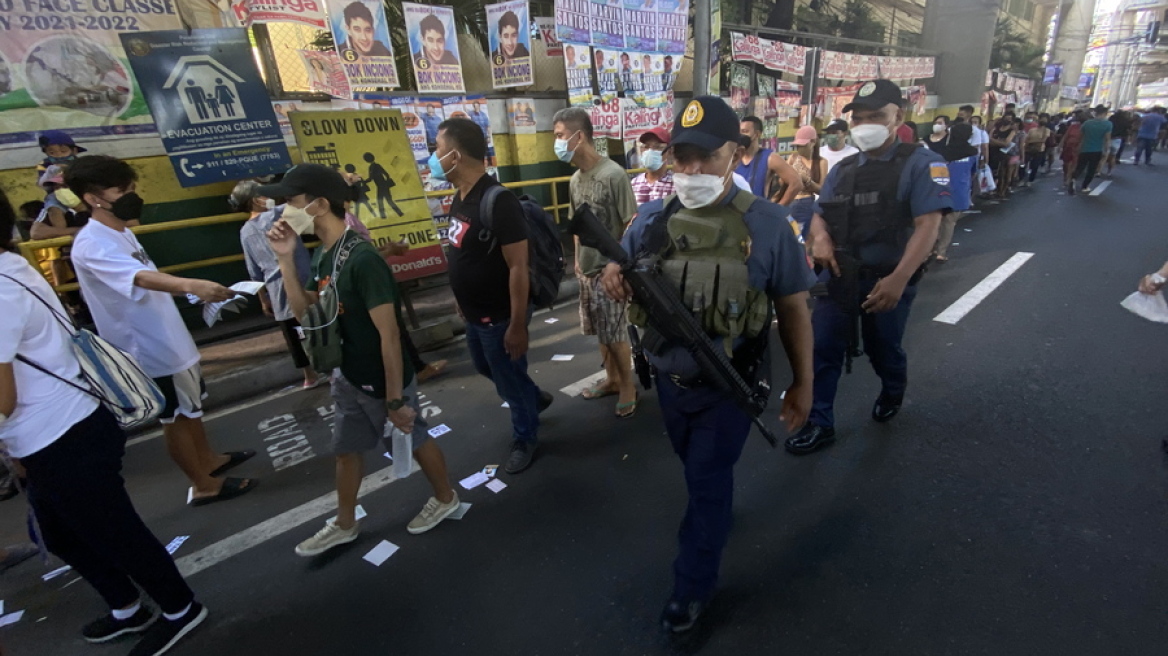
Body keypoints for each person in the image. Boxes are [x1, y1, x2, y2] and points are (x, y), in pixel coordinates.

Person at [600, 96, 815, 633]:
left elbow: (793, 310)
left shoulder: (768, 225)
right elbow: (619, 263)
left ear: (736, 154)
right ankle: (712, 515)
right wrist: (611, 271)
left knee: (707, 479)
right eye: (682, 157)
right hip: (669, 383)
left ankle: (692, 586)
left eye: (708, 158)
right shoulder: (650, 218)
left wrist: (803, 385)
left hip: (729, 381)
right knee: (697, 471)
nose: (692, 171)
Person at [0, 187, 209, 655]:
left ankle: (179, 607)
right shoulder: (12, 267)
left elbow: (3, 399)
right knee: (59, 532)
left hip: (61, 433)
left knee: (112, 529)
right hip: (55, 429)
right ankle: (125, 605)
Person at [263, 164, 460, 555]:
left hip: (381, 378)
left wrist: (394, 400)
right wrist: (285, 259)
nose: (283, 210)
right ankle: (345, 522)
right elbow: (306, 315)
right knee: (346, 449)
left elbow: (389, 335)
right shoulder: (322, 256)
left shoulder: (362, 259)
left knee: (413, 436)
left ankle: (445, 497)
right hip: (348, 375)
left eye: (291, 201)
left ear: (319, 205)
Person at [66, 156, 258, 506]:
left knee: (191, 406)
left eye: (132, 188)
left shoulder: (120, 232)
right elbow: (138, 278)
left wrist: (189, 291)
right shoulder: (92, 242)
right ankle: (202, 484)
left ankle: (210, 460)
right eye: (122, 190)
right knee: (173, 417)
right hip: (145, 348)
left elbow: (149, 279)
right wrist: (192, 284)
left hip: (168, 337)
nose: (131, 196)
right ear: (93, 197)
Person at [785, 79, 950, 455]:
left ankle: (894, 387)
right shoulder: (844, 170)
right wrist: (821, 236)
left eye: (876, 116)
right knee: (823, 346)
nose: (865, 124)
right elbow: (819, 213)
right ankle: (820, 422)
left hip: (887, 278)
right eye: (859, 118)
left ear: (898, 117)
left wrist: (898, 279)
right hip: (840, 275)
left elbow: (928, 225)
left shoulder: (922, 164)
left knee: (883, 348)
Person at [435, 119, 553, 474]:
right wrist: (461, 295)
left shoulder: (497, 201)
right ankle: (533, 397)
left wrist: (517, 325)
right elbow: (463, 253)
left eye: (438, 148)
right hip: (473, 312)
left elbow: (517, 267)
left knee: (508, 378)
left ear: (455, 155)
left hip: (499, 316)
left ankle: (525, 436)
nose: (434, 157)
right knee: (486, 367)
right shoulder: (460, 196)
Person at [553, 107, 640, 418]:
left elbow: (631, 224)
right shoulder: (575, 179)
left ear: (580, 136)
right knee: (601, 332)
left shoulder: (613, 175)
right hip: (587, 271)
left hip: (611, 272)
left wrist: (619, 268)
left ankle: (628, 385)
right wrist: (577, 261)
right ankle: (612, 379)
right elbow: (577, 224)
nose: (557, 142)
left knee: (616, 332)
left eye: (560, 136)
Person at [231, 180, 320, 391]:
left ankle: (309, 376)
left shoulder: (245, 232)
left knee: (294, 334)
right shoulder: (278, 214)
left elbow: (253, 271)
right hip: (302, 281)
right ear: (257, 200)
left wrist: (264, 299)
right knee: (316, 324)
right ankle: (331, 367)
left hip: (276, 291)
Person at [934, 123, 978, 262]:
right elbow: (973, 172)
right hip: (960, 189)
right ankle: (941, 252)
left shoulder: (942, 151)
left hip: (939, 188)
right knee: (950, 222)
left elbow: (935, 171)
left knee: (935, 220)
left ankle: (929, 249)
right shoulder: (972, 152)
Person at [736, 116, 802, 204]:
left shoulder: (769, 158)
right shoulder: (734, 157)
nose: (741, 136)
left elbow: (796, 183)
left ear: (757, 134)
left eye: (745, 131)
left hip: (757, 213)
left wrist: (778, 208)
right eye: (739, 132)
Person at [786, 125, 827, 237]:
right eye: (797, 146)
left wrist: (807, 181)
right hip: (790, 201)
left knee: (800, 237)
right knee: (789, 236)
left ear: (813, 142)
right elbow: (782, 183)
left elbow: (822, 190)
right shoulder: (793, 158)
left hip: (806, 203)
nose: (799, 149)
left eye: (802, 145)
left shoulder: (821, 162)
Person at [1069, 106, 1111, 195]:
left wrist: (1078, 147)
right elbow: (1107, 138)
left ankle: (1073, 179)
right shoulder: (1108, 124)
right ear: (1104, 114)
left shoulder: (1087, 123)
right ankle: (1085, 186)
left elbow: (1080, 137)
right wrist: (1106, 150)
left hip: (1084, 149)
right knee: (1091, 169)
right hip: (1097, 149)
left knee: (1080, 167)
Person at [629, 126, 674, 204]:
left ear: (669, 152)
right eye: (646, 146)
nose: (650, 151)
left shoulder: (675, 185)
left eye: (657, 147)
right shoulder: (634, 184)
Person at [988, 116, 1017, 199]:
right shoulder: (995, 129)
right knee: (994, 172)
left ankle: (1002, 191)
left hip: (1006, 155)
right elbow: (989, 140)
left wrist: (994, 141)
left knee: (1004, 174)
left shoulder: (1012, 131)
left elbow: (1006, 143)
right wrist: (999, 142)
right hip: (993, 153)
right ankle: (995, 190)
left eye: (1009, 119)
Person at [1022, 113, 1051, 187]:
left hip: (1039, 150)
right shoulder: (1032, 130)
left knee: (1034, 166)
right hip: (1029, 149)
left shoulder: (1046, 130)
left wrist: (1032, 141)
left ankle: (1030, 180)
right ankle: (1021, 179)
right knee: (1023, 164)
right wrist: (1031, 142)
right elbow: (1027, 139)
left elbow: (1043, 140)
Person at [1107, 109, 1131, 174]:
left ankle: (1098, 172)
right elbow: (1128, 129)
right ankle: (1110, 171)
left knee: (1104, 155)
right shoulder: (1125, 120)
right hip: (1119, 138)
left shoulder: (1112, 118)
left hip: (1109, 137)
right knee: (1114, 155)